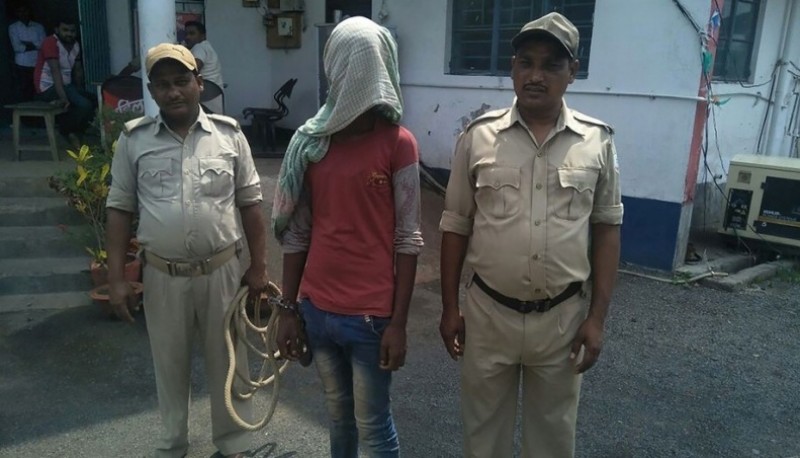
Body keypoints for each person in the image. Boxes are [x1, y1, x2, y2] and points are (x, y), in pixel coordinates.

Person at [438, 12, 623, 458]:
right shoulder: (479, 137)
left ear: (572, 73)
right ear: (513, 67)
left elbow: (606, 229)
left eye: (551, 65)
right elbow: (455, 224)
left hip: (562, 321)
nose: (535, 76)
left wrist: (596, 318)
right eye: (526, 62)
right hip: (488, 316)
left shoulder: (596, 142)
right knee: (483, 439)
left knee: (553, 441)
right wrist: (449, 308)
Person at [105, 43, 267, 458]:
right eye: (163, 85)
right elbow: (120, 209)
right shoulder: (134, 140)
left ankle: (233, 445)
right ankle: (172, 446)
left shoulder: (229, 136)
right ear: (152, 91)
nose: (173, 92)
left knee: (231, 364)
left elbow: (251, 204)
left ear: (199, 84)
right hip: (162, 275)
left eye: (181, 82)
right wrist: (117, 279)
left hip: (223, 273)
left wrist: (259, 270)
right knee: (169, 367)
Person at [273, 17, 423, 458]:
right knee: (338, 419)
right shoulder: (311, 144)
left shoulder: (399, 144)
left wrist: (398, 324)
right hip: (316, 312)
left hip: (371, 320)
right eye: (353, 65)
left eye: (372, 64)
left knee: (373, 428)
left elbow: (408, 237)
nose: (363, 76)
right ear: (333, 69)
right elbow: (298, 233)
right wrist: (288, 309)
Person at [33, 18, 95, 147]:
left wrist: (79, 92)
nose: (69, 34)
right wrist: (64, 98)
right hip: (47, 88)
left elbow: (78, 71)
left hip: (66, 87)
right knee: (84, 105)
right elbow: (55, 71)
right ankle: (66, 131)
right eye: (65, 30)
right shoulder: (50, 42)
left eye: (72, 31)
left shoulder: (75, 45)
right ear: (57, 30)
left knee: (94, 100)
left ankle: (75, 131)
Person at [183, 21, 224, 114]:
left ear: (203, 36)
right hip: (215, 94)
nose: (187, 37)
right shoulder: (207, 47)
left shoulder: (199, 47)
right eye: (186, 34)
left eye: (192, 33)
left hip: (206, 94)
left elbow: (194, 68)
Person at [7, 4, 46, 101]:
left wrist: (27, 44)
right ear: (17, 13)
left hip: (37, 63)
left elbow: (43, 45)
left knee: (38, 89)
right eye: (20, 11)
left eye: (25, 11)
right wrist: (35, 45)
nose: (23, 14)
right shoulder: (13, 27)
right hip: (22, 64)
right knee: (24, 89)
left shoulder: (38, 27)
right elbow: (17, 47)